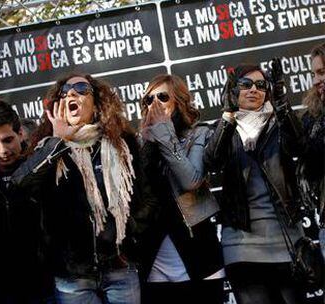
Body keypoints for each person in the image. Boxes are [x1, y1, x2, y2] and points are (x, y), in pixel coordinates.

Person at [11, 73, 157, 304]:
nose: (71, 93)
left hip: (119, 268)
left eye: (81, 88)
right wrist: (57, 141)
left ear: (97, 102)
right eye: (65, 91)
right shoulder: (48, 147)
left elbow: (146, 196)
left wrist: (131, 233)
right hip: (73, 276)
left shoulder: (122, 144)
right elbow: (19, 187)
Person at [203, 61, 306, 304]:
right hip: (242, 246)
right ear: (232, 91)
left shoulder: (280, 123)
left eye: (261, 85)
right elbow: (212, 163)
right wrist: (228, 117)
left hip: (288, 241)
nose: (253, 90)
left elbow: (299, 147)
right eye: (245, 84)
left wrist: (281, 104)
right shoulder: (221, 129)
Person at [138, 74, 225, 304]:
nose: (155, 104)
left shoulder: (199, 133)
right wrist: (148, 145)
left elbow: (191, 181)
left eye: (163, 97)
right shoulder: (140, 144)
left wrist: (165, 135)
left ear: (178, 101)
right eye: (149, 100)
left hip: (199, 256)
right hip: (155, 264)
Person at [0, 100, 53, 304]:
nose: (2, 150)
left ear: (21, 134)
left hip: (47, 283)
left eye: (8, 140)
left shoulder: (42, 163)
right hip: (4, 289)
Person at [298, 43, 325, 261]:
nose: (316, 80)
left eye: (322, 72)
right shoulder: (312, 118)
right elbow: (310, 156)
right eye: (314, 74)